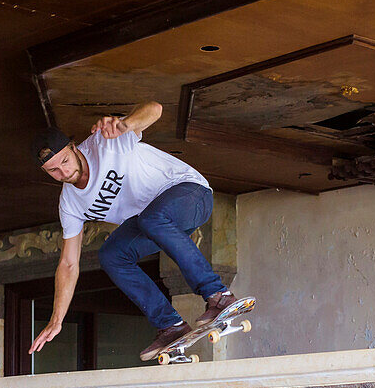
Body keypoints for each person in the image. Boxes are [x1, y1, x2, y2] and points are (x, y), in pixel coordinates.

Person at [28, 101, 239, 361]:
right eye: (53, 171)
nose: (64, 172)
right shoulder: (69, 204)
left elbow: (156, 109)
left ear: (74, 147)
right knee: (111, 255)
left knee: (151, 218)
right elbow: (69, 263)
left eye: (65, 161)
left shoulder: (105, 143)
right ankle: (170, 325)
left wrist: (125, 124)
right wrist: (56, 319)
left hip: (191, 194)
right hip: (158, 223)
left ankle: (219, 295)